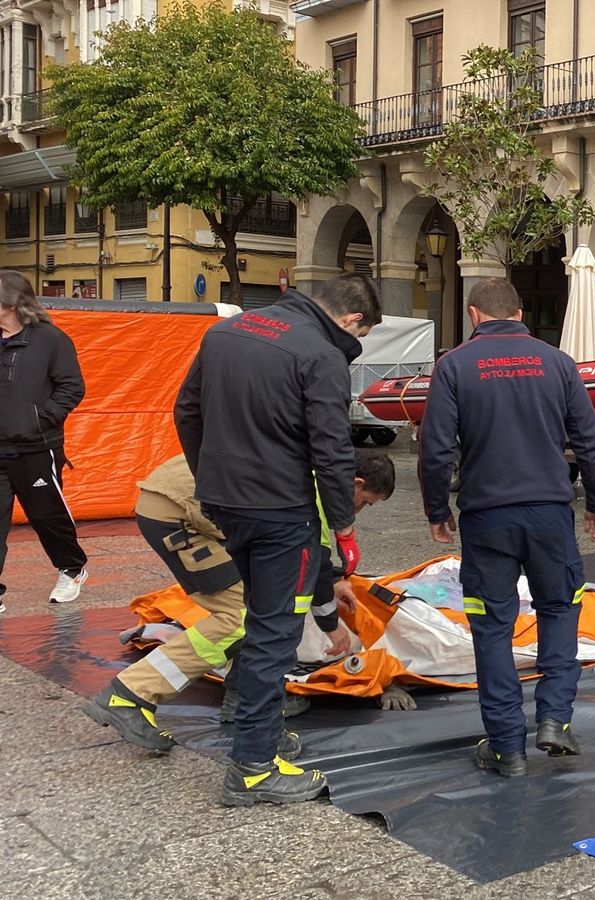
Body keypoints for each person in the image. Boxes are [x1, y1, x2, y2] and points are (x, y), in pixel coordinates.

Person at [174, 273, 380, 807]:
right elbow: (334, 451)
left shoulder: (229, 331)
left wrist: (210, 477)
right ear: (352, 320)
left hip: (227, 502)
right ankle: (253, 770)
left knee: (261, 617)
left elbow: (186, 410)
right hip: (282, 514)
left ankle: (259, 734)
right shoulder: (320, 355)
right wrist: (344, 526)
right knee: (275, 634)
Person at [419, 277, 595, 778]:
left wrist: (438, 512)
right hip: (550, 514)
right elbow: (589, 439)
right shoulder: (558, 363)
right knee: (560, 610)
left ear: (474, 315)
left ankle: (507, 748)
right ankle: (555, 720)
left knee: (492, 629)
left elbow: (435, 449)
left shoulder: (454, 365)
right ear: (520, 315)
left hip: (487, 519)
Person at [81, 450, 396, 753]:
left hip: (186, 504)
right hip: (178, 514)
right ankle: (131, 693)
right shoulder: (313, 485)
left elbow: (315, 551)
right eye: (364, 503)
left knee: (260, 598)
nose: (357, 512)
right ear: (355, 483)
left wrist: (333, 579)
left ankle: (244, 694)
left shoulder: (316, 470)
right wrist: (331, 625)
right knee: (240, 617)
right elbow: (311, 555)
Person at [0, 271, 87, 613]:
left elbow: (72, 387)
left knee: (47, 516)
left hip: (36, 448)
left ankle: (71, 569)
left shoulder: (51, 340)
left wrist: (41, 419)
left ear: (11, 303)